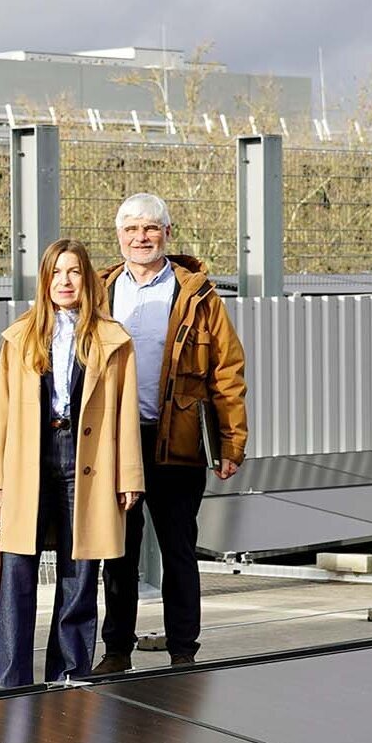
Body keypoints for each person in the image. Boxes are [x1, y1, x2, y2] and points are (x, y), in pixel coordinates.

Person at [94, 194, 248, 672]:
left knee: (179, 549)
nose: (142, 238)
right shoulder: (100, 289)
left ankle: (184, 650)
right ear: (119, 236)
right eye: (132, 230)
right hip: (117, 445)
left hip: (177, 440)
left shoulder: (196, 293)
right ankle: (116, 650)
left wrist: (231, 441)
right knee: (117, 552)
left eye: (151, 229)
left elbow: (227, 370)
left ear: (168, 233)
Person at [0, 238, 144, 688]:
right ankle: (8, 675)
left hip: (86, 458)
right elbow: (3, 412)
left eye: (74, 271)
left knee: (81, 567)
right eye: (56, 273)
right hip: (29, 459)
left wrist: (129, 475)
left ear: (87, 279)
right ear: (44, 281)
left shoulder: (112, 340)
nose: (65, 281)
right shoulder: (20, 337)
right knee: (18, 567)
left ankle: (70, 670)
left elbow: (126, 415)